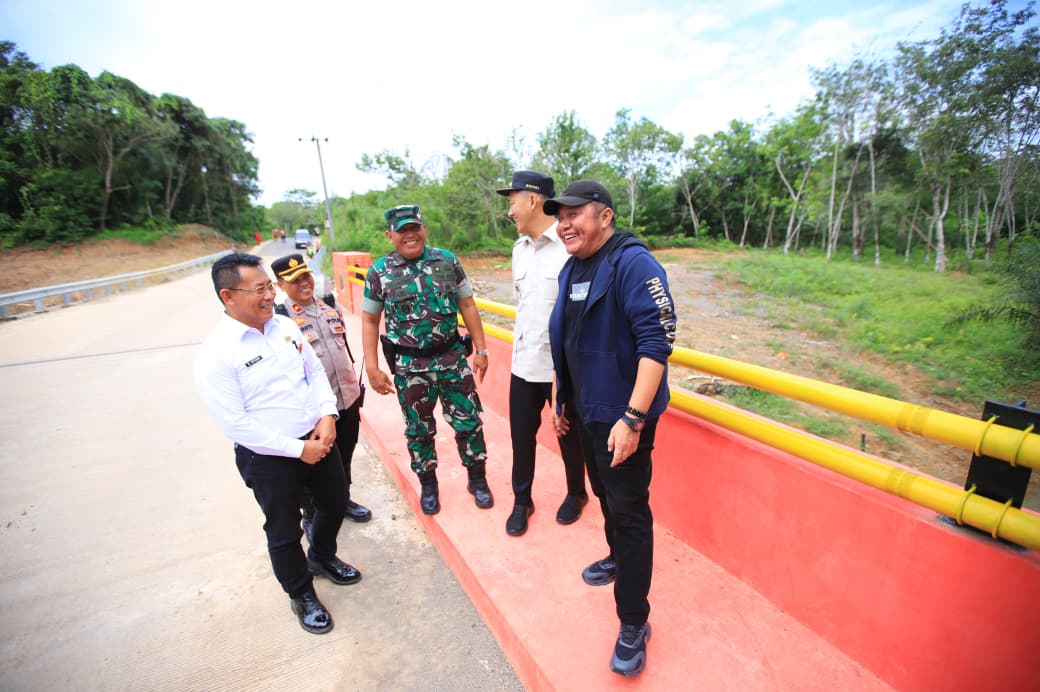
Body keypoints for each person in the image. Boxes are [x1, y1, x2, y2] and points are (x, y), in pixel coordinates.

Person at [545, 181, 676, 677]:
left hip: (622, 420)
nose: (564, 223)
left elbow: (657, 342)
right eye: (560, 216)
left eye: (575, 214)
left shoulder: (633, 263)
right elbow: (569, 341)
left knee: (628, 512)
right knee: (605, 497)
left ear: (605, 216)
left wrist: (634, 418)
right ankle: (618, 558)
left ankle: (634, 620)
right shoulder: (572, 268)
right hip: (585, 413)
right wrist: (562, 400)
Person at [194, 253, 362, 636]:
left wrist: (325, 415)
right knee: (284, 529)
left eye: (269, 286)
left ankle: (321, 557)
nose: (271, 296)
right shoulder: (217, 354)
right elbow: (234, 423)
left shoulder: (285, 326)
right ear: (228, 296)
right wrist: (297, 449)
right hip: (269, 458)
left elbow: (314, 372)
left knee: (335, 503)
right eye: (260, 289)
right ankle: (300, 593)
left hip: (317, 439)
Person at [361, 204, 493, 515]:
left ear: (423, 229)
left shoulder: (446, 261)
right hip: (410, 367)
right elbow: (369, 320)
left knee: (469, 423)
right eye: (402, 230)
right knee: (418, 430)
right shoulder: (380, 271)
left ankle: (477, 479)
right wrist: (371, 366)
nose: (410, 235)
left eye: (414, 228)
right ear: (390, 235)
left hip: (452, 358)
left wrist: (482, 348)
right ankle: (429, 484)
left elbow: (468, 304)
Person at [495, 171, 588, 536]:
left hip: (560, 370)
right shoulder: (518, 250)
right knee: (522, 437)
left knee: (569, 435)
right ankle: (522, 501)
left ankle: (577, 493)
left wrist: (561, 378)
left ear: (533, 200)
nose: (510, 211)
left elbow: (576, 320)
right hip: (524, 366)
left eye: (512, 201)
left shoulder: (569, 251)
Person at [272, 253, 372, 532]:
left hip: (348, 397)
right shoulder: (280, 320)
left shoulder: (329, 304)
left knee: (345, 453)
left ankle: (344, 499)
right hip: (314, 409)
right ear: (280, 285)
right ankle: (311, 511)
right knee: (315, 463)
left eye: (306, 276)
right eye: (294, 280)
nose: (304, 283)